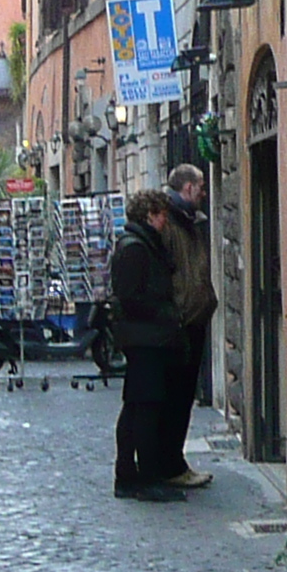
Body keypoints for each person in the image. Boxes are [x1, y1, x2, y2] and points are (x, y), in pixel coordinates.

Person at [110, 189, 187, 500]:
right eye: (161, 214)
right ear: (148, 215)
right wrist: (165, 313)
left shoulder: (143, 245)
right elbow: (131, 297)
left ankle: (132, 474)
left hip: (148, 336)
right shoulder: (134, 249)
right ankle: (140, 477)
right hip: (145, 339)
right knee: (143, 408)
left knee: (138, 407)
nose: (165, 220)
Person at [160, 164, 219, 489]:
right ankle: (171, 465)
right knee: (176, 397)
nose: (204, 193)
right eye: (200, 187)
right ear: (187, 189)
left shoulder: (186, 221)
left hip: (191, 317)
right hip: (181, 321)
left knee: (181, 397)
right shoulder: (170, 223)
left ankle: (172, 462)